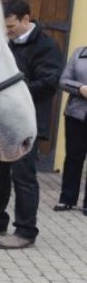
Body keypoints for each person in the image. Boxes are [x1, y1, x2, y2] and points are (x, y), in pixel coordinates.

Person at [0, 0, 63, 249]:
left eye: (10, 27)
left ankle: (26, 231)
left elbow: (49, 83)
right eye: (3, 27)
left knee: (23, 177)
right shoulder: (2, 44)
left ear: (26, 20)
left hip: (25, 123)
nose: (6, 31)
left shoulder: (46, 46)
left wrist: (12, 95)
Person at [55, 46, 87, 213]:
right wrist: (80, 89)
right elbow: (63, 80)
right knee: (73, 156)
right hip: (76, 114)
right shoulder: (79, 54)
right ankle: (67, 199)